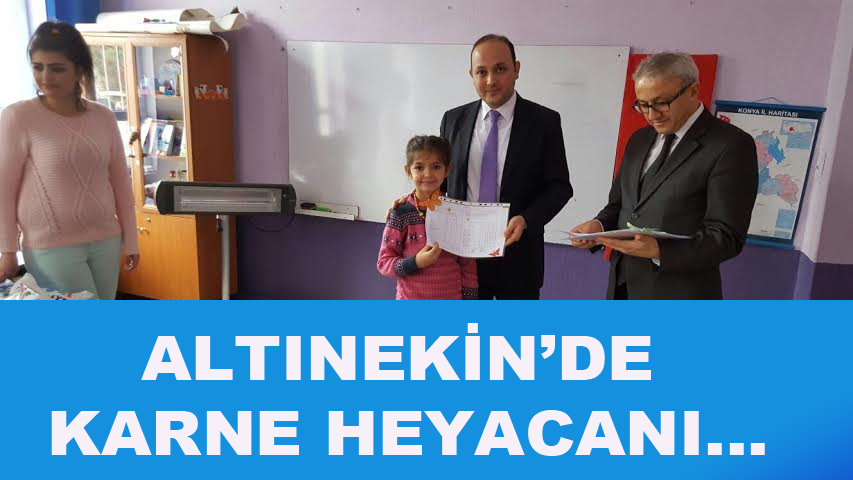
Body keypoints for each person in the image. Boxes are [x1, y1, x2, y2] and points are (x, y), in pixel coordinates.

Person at [570, 52, 758, 299]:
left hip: (680, 294)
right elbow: (620, 205)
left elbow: (726, 236)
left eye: (661, 103)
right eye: (643, 105)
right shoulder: (639, 139)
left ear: (693, 91)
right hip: (622, 287)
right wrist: (599, 225)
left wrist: (660, 250)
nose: (652, 115)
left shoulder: (730, 145)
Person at [0, 21, 140, 299]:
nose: (45, 77)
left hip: (106, 239)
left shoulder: (103, 117)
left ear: (79, 70)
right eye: (38, 67)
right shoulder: (18, 117)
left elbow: (120, 184)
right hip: (51, 247)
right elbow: (5, 189)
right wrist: (7, 250)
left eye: (57, 68)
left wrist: (131, 240)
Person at [439, 34, 572, 299]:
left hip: (519, 258)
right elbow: (440, 181)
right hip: (463, 258)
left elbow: (559, 187)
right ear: (471, 75)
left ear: (516, 69)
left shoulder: (544, 121)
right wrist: (413, 202)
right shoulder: (453, 120)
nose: (491, 80)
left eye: (500, 69)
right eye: (481, 72)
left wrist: (527, 219)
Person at [377, 135, 478, 299]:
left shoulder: (456, 212)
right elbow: (384, 262)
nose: (428, 174)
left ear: (447, 170)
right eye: (419, 167)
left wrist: (470, 300)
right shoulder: (400, 213)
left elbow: (467, 264)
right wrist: (416, 262)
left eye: (436, 167)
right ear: (408, 171)